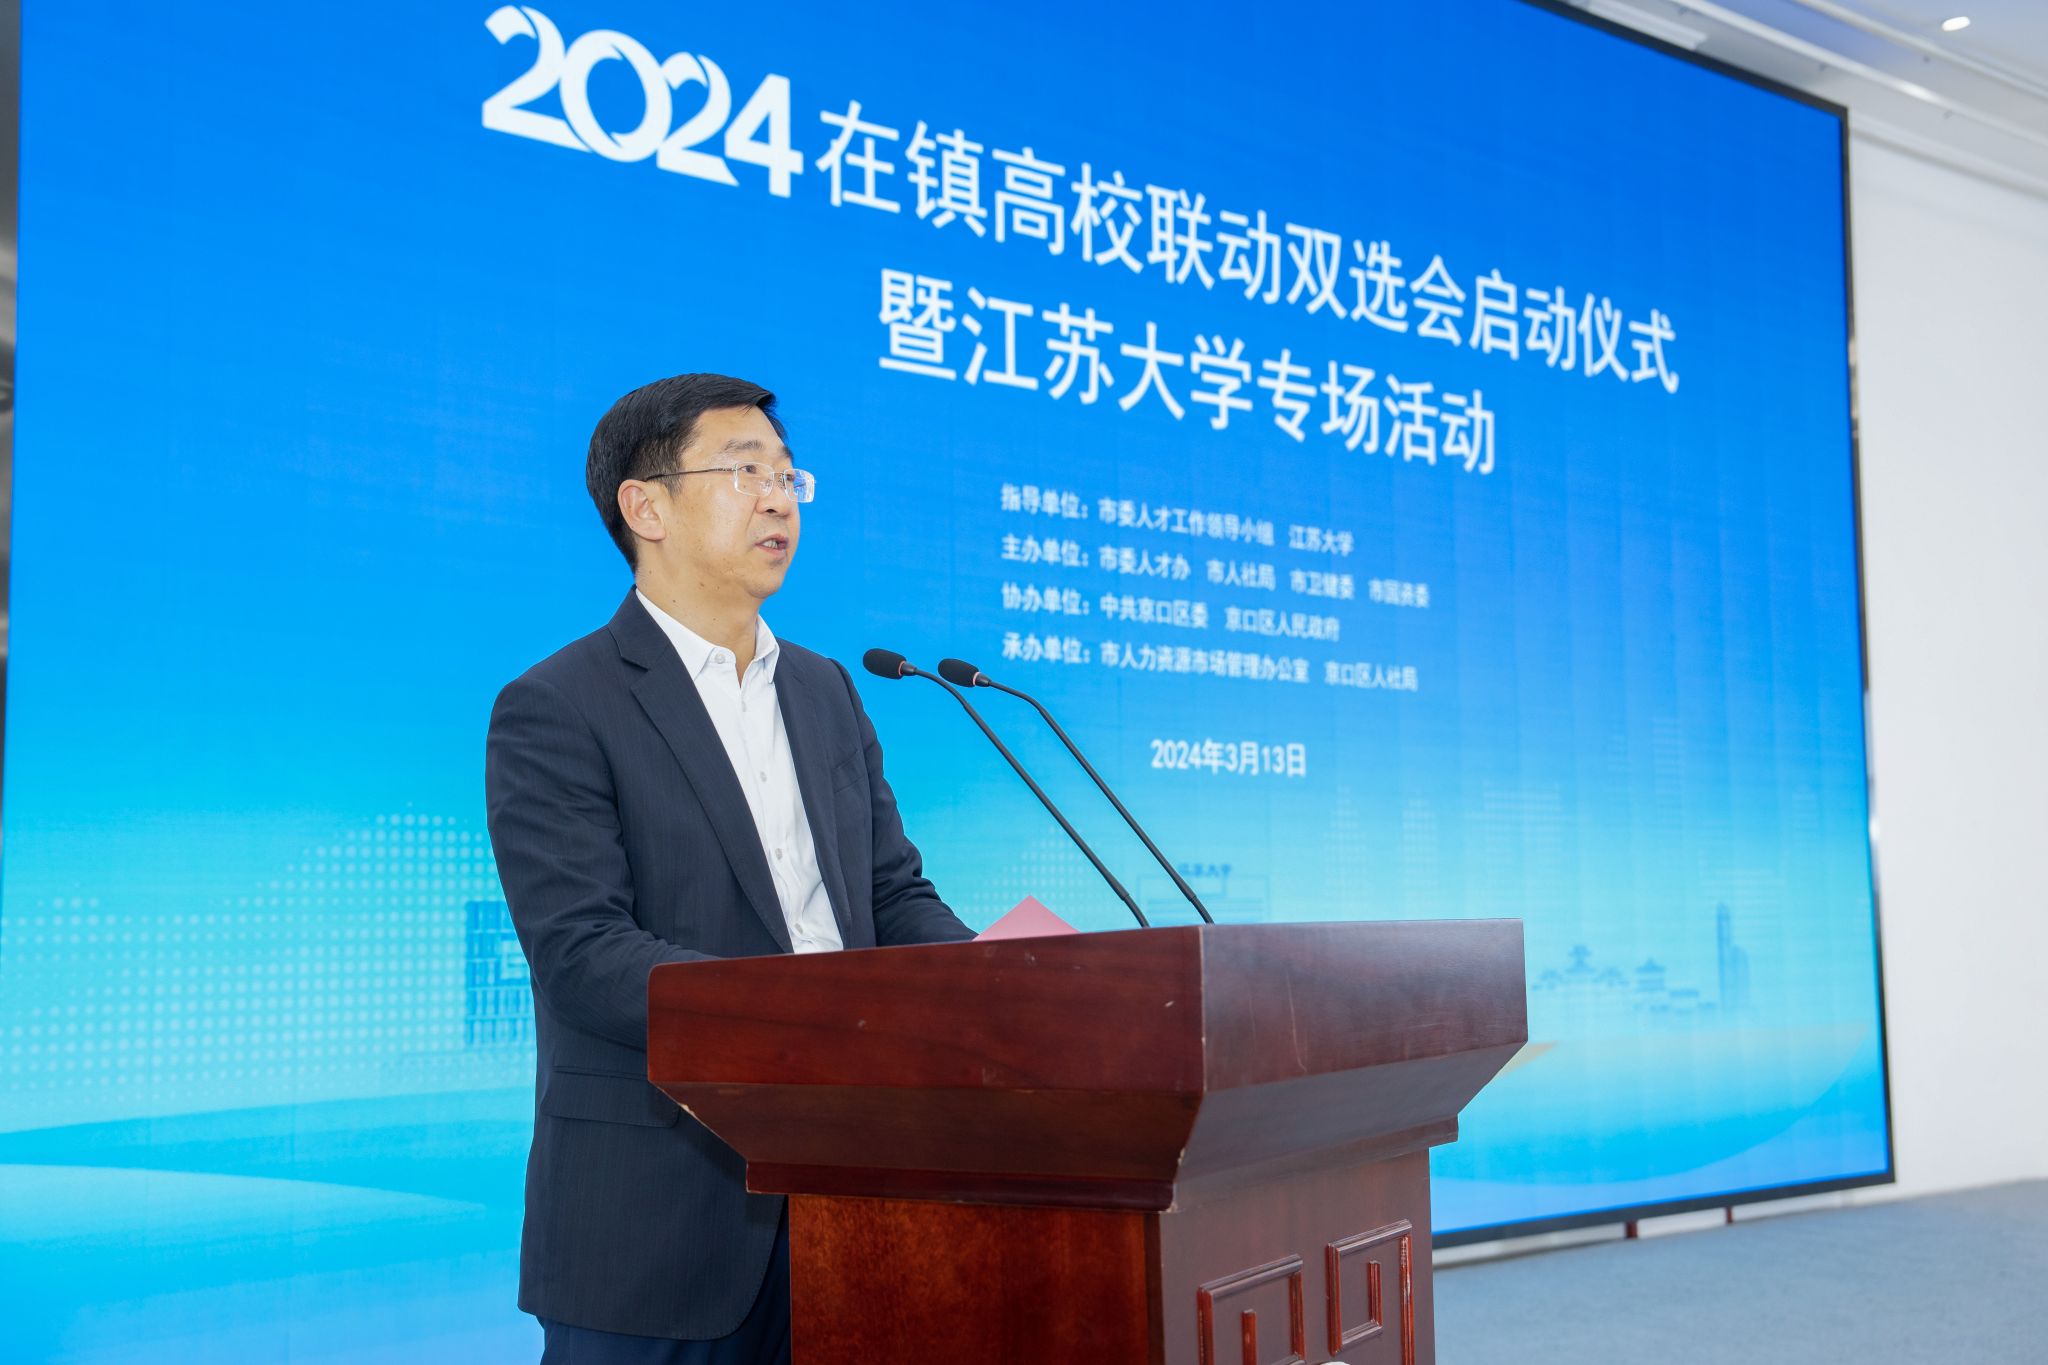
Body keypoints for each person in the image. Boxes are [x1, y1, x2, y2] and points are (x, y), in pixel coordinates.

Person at [485, 373, 975, 1362]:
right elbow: (584, 954)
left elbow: (889, 895)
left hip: (856, 1195)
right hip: (662, 1218)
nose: (778, 500)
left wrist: (1007, 983)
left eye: (788, 476)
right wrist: (809, 1020)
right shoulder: (558, 705)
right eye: (745, 472)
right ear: (645, 507)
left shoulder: (827, 690)